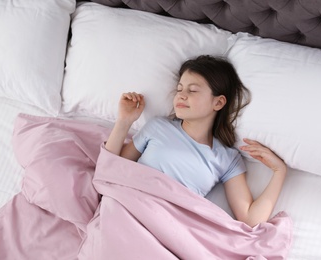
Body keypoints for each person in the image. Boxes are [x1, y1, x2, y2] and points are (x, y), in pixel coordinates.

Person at [105, 55, 287, 227]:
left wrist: (280, 171)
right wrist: (124, 121)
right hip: (125, 209)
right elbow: (110, 169)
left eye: (192, 90)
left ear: (218, 103)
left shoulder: (227, 158)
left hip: (166, 226)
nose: (181, 95)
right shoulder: (158, 127)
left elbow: (250, 219)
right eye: (179, 89)